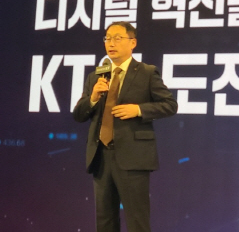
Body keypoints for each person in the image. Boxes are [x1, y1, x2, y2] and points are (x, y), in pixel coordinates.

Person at [73, 21, 178, 232]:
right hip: (100, 156)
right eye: (107, 38)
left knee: (137, 220)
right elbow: (79, 115)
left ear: (133, 43)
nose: (111, 43)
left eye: (117, 38)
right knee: (105, 221)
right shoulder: (96, 76)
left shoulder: (147, 72)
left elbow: (170, 105)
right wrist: (93, 98)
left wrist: (138, 110)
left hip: (133, 157)